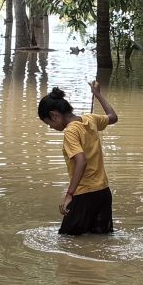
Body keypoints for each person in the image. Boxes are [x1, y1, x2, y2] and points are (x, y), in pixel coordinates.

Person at [38, 79, 118, 235]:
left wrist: (69, 195)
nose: (50, 127)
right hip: (103, 193)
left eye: (48, 123)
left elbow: (81, 161)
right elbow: (113, 117)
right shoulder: (90, 119)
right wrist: (98, 95)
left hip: (84, 196)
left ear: (54, 115)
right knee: (100, 242)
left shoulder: (70, 132)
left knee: (66, 242)